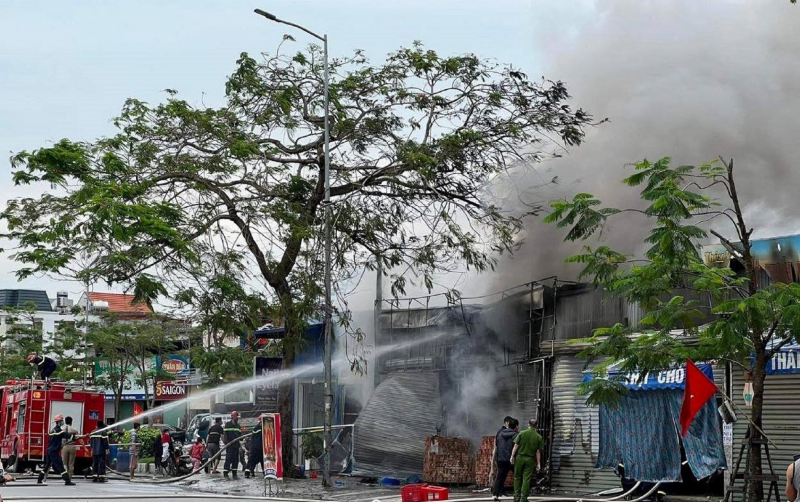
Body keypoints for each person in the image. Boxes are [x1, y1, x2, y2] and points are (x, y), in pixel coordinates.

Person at [511, 419, 544, 502]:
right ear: (536, 426)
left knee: (517, 477)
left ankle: (516, 497)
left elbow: (516, 445)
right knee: (527, 478)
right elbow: (538, 451)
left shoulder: (522, 433)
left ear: (528, 424)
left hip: (520, 457)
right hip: (530, 459)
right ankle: (523, 498)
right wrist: (539, 463)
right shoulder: (539, 437)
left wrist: (512, 456)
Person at [37, 414, 76, 485]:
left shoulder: (53, 430)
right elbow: (68, 436)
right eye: (61, 421)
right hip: (54, 451)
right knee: (60, 466)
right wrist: (76, 437)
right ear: (58, 422)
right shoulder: (59, 431)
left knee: (47, 466)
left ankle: (39, 479)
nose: (62, 422)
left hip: (49, 450)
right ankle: (67, 481)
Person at [490, 416, 519, 501]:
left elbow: (497, 446)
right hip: (511, 459)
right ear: (516, 426)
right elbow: (516, 447)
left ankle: (495, 494)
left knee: (500, 477)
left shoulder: (500, 433)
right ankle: (518, 494)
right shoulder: (516, 435)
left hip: (501, 459)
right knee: (518, 476)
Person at [223, 411, 242, 479]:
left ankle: (234, 473)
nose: (237, 419)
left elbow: (240, 437)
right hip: (230, 445)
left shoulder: (238, 426)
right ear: (234, 417)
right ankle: (225, 472)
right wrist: (226, 443)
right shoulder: (228, 425)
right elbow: (225, 435)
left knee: (235, 460)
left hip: (236, 446)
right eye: (237, 417)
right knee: (228, 459)